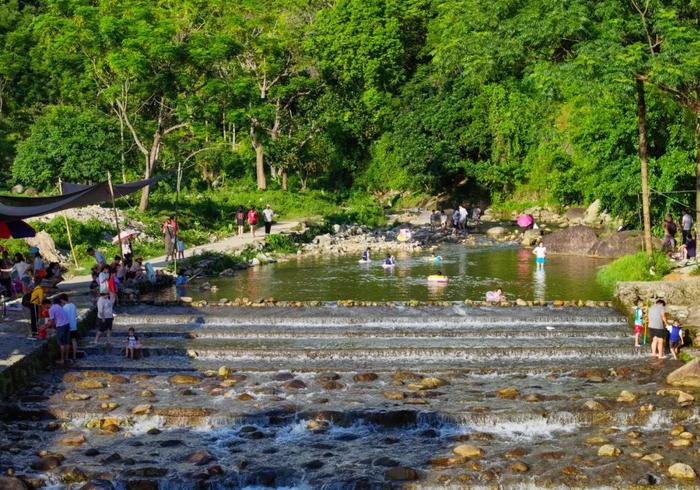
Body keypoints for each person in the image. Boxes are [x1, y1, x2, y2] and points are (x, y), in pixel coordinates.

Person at [46, 296, 70, 365]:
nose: (44, 308)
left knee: (61, 344)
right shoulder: (58, 306)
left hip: (61, 326)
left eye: (44, 306)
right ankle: (66, 358)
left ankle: (62, 360)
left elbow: (51, 321)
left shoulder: (51, 309)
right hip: (67, 324)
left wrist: (45, 327)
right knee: (67, 342)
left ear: (46, 304)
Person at [60, 294, 79, 363]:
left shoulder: (64, 307)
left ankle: (66, 357)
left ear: (62, 300)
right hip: (74, 326)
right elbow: (76, 315)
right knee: (74, 341)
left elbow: (63, 318)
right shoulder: (73, 305)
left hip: (68, 326)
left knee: (67, 342)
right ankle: (74, 356)